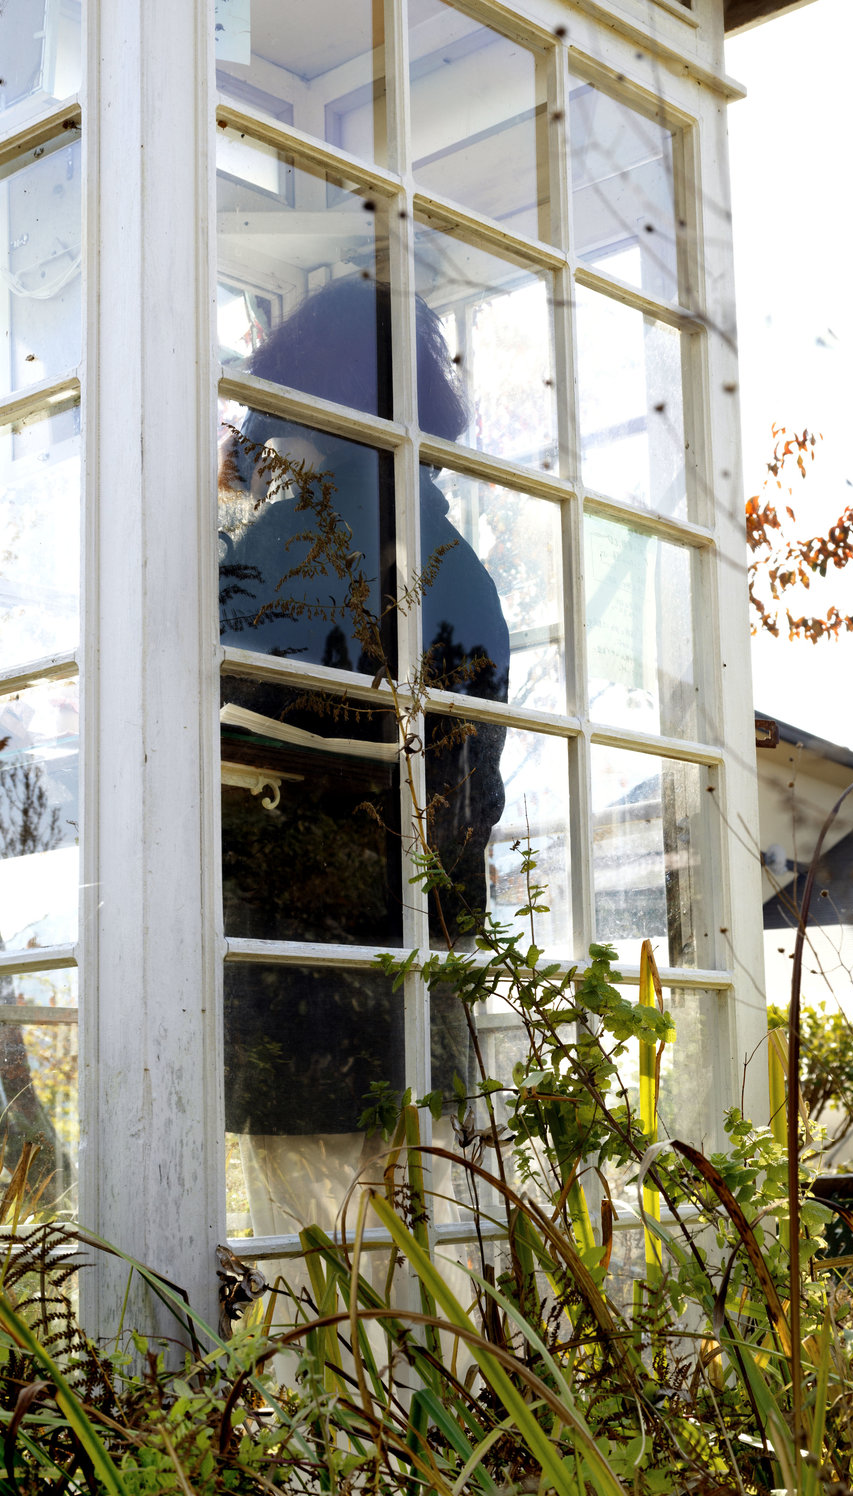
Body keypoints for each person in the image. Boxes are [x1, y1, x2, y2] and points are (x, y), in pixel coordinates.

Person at [216, 273, 512, 1239]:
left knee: (317, 1319)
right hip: (429, 1003)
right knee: (436, 1308)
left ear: (320, 410)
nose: (259, 439)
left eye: (276, 413)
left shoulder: (283, 551)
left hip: (294, 1000)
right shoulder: (456, 567)